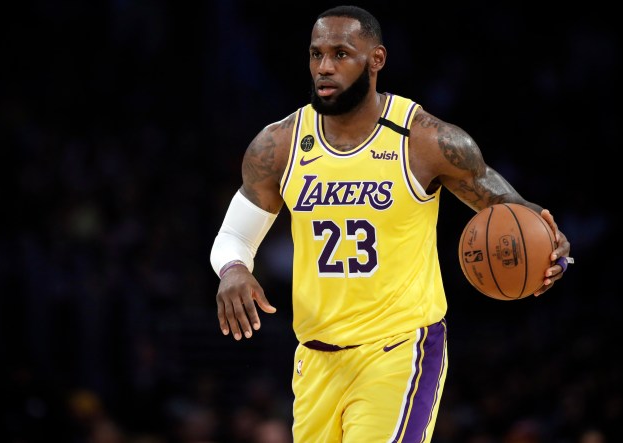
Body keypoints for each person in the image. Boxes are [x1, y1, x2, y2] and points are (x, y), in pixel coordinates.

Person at [210, 5, 572, 442]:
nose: (324, 67)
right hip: (315, 360)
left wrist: (553, 245)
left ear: (376, 60)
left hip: (400, 351)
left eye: (341, 54)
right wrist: (234, 270)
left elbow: (517, 214)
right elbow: (233, 236)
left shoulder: (426, 140)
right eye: (316, 54)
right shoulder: (280, 144)